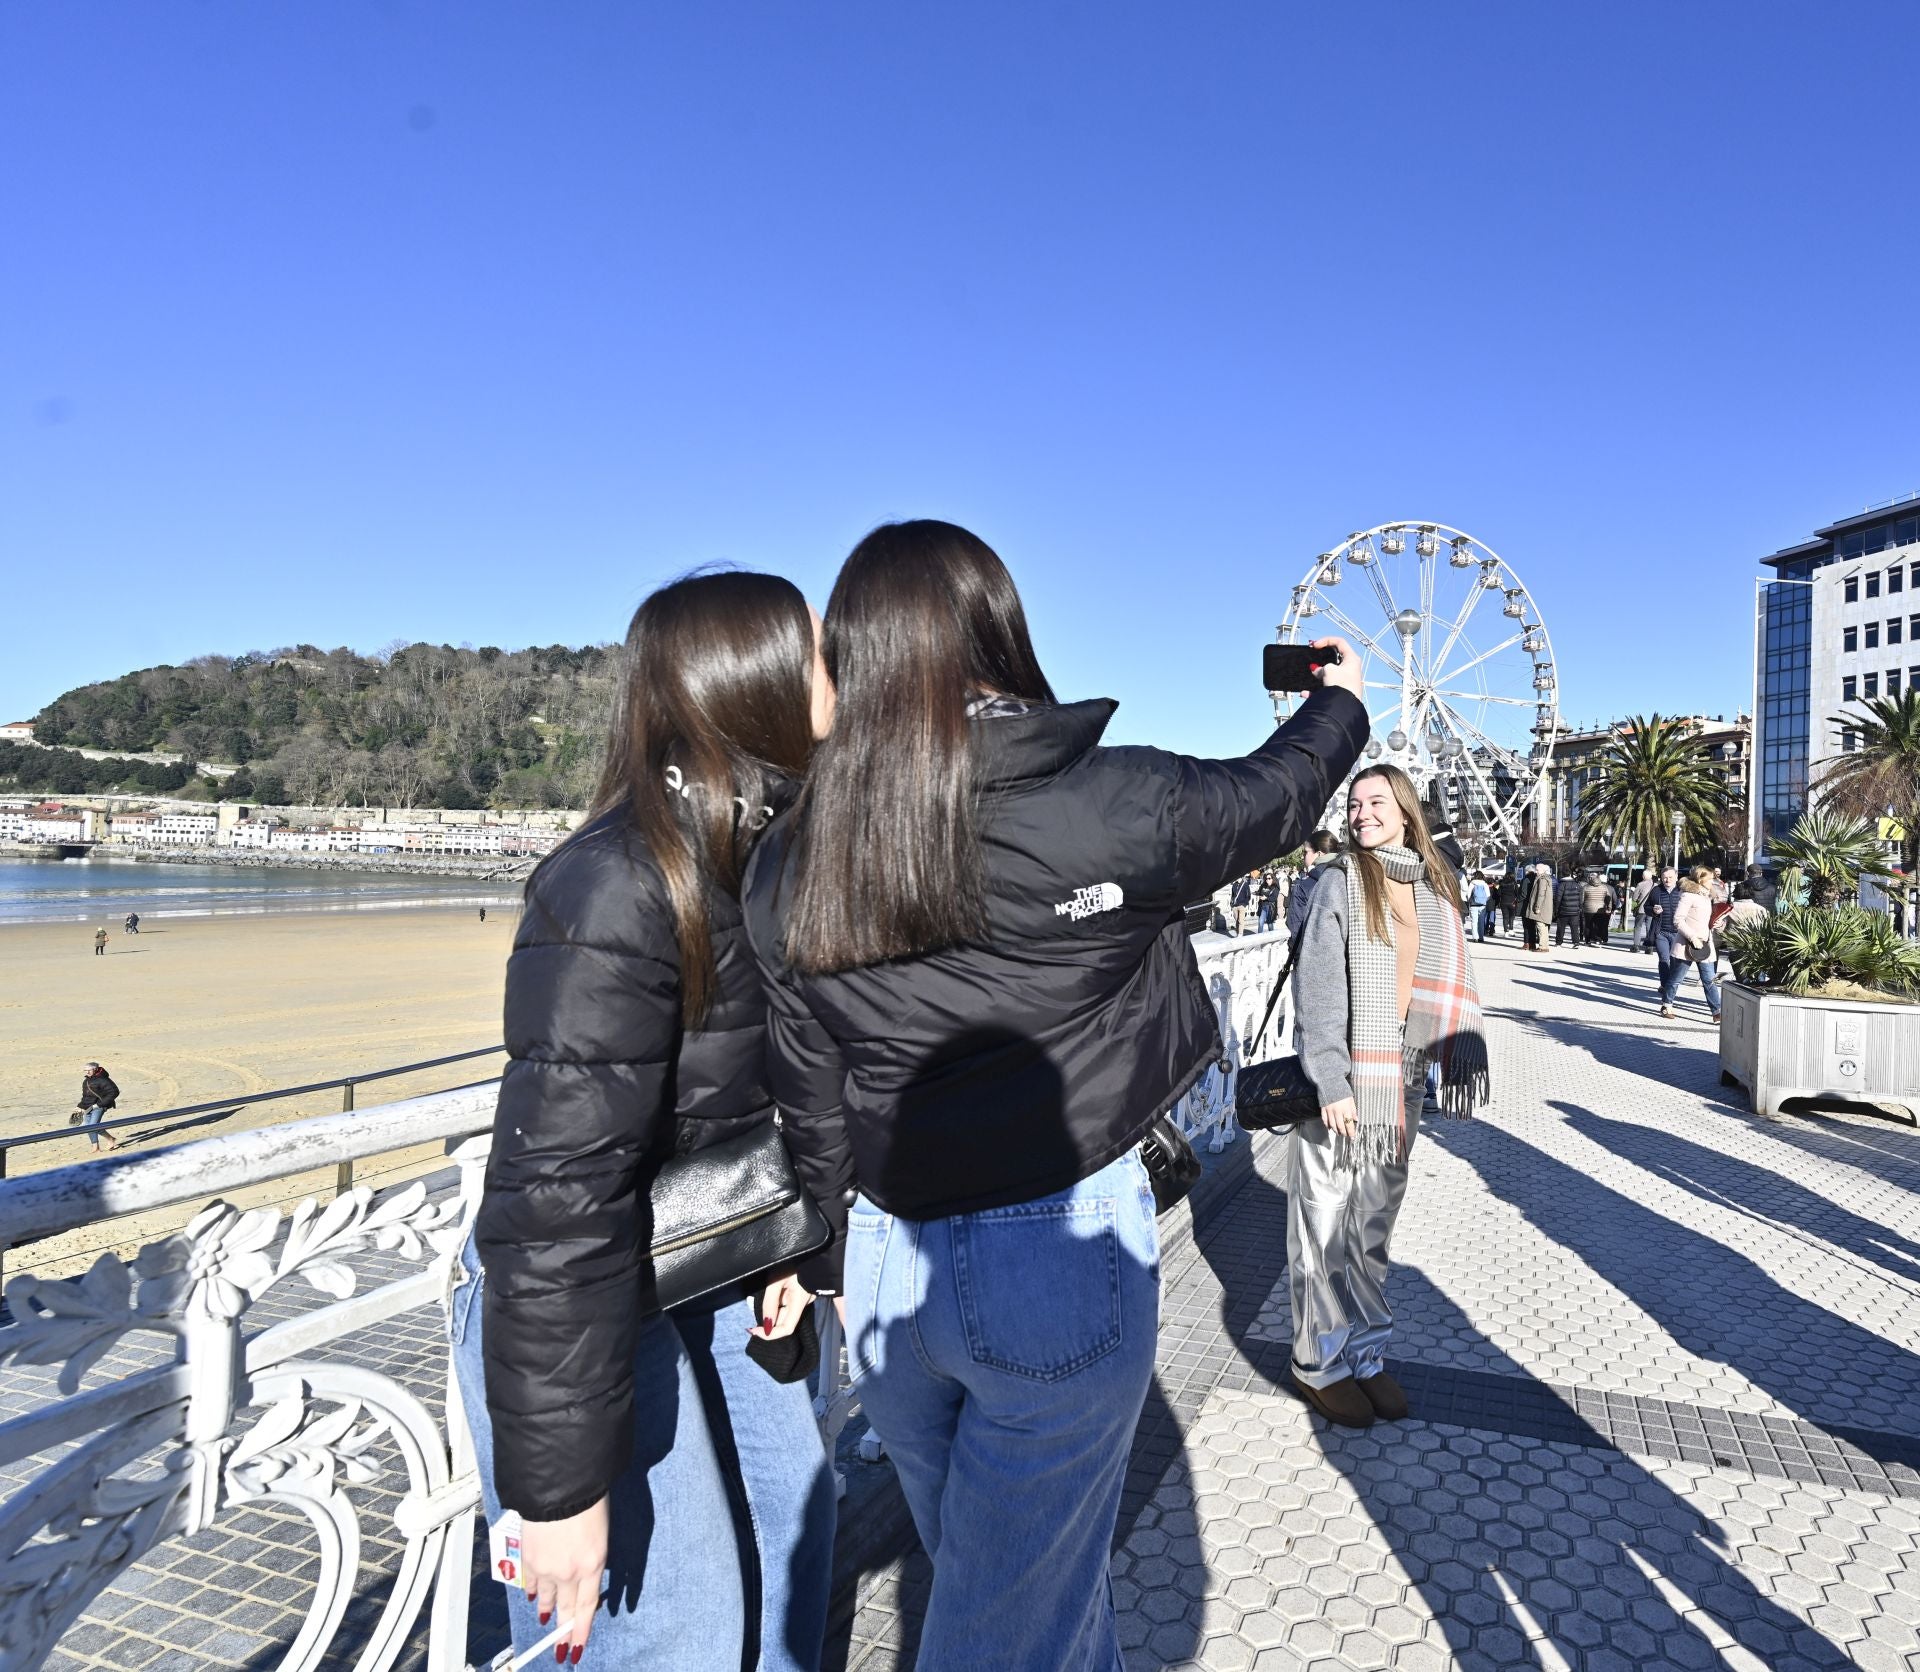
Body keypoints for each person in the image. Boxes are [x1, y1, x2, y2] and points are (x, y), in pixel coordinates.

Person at [742, 520, 1369, 1667]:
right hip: (1058, 1243)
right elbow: (1276, 793)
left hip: (883, 1259)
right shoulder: (1114, 801)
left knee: (1022, 1590)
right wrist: (1338, 703)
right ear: (998, 628)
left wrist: (819, 1250)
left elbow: (803, 1079)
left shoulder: (795, 852)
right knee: (1010, 1621)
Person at [456, 571, 849, 1670]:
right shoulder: (616, 883)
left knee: (791, 1563)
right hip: (581, 1293)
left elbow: (779, 1087)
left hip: (703, 1254)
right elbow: (555, 1199)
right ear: (756, 679)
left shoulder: (771, 856)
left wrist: (792, 1240)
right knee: (672, 1635)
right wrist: (559, 1490)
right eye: (823, 653)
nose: (844, 670)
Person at [1288, 764, 1491, 1428]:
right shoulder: (1339, 882)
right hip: (1346, 1083)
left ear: (1406, 812)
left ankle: (1366, 1352)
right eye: (1354, 803)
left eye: (1377, 801)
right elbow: (1318, 989)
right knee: (1321, 1228)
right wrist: (1330, 1081)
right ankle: (1318, 1361)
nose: (1362, 813)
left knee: (1371, 1229)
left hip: (1402, 1081)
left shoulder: (1434, 888)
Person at [1658, 867, 1723, 1022]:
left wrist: (1719, 924)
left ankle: (1717, 1012)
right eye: (1709, 878)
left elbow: (1708, 921)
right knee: (1676, 978)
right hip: (1687, 944)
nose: (1712, 881)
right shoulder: (1688, 896)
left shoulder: (1708, 897)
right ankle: (1666, 1004)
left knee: (1709, 980)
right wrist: (1692, 937)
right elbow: (1678, 920)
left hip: (1705, 945)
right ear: (1700, 879)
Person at [1287, 829, 1341, 941]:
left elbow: (1295, 929)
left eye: (1305, 852)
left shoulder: (1303, 886)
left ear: (1319, 854)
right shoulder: (1350, 877)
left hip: (1310, 947)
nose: (1302, 857)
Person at [1644, 865, 1684, 1008]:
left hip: (1678, 933)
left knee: (1675, 961)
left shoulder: (1682, 891)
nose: (1667, 880)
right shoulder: (1656, 890)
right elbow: (1646, 907)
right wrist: (1653, 910)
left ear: (1676, 877)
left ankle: (1670, 985)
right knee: (1663, 959)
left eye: (1670, 877)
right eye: (1664, 877)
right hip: (1661, 932)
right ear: (1661, 878)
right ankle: (1666, 986)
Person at [76, 1062, 119, 1150]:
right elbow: (86, 1096)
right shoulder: (86, 1081)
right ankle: (96, 1147)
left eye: (89, 1070)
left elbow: (114, 1092)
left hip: (99, 1106)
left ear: (95, 1069)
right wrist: (80, 1106)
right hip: (88, 1107)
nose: (87, 1072)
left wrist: (99, 1104)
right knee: (88, 1127)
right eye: (85, 1070)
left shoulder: (103, 1079)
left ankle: (110, 1140)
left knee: (93, 1126)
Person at [1522, 862, 1554, 951]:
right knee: (1543, 926)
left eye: (1537, 870)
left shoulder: (1542, 879)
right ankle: (1544, 945)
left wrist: (1537, 907)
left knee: (1540, 926)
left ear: (1543, 870)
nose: (1536, 871)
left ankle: (1542, 946)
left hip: (1542, 907)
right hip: (1545, 906)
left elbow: (1540, 894)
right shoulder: (1546, 878)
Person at [1580, 872, 1616, 947]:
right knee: (1599, 925)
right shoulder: (1604, 887)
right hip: (1600, 910)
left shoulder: (1586, 887)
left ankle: (1587, 941)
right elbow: (1608, 898)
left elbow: (1581, 900)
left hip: (1588, 909)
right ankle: (1598, 940)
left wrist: (1582, 907)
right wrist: (1609, 907)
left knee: (1588, 925)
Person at [1552, 868, 1584, 947]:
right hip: (1575, 911)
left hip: (1563, 910)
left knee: (1561, 927)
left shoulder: (1561, 885)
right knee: (1574, 927)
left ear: (1562, 875)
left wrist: (1556, 909)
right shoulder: (1577, 885)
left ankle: (1559, 942)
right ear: (1570, 875)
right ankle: (1576, 942)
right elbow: (1581, 899)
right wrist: (1580, 907)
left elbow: (1558, 899)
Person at [1496, 868, 1521, 936]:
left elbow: (1498, 893)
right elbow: (1517, 893)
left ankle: (1506, 932)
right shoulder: (1514, 883)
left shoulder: (1502, 883)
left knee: (1505, 917)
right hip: (1512, 902)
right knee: (1512, 917)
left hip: (1503, 902)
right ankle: (1511, 930)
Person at [1468, 872, 1491, 942]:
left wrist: (1470, 901)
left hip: (1473, 905)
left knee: (1474, 922)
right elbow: (1488, 895)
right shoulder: (1485, 884)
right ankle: (1481, 937)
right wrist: (1483, 901)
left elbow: (1468, 894)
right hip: (1482, 905)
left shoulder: (1472, 883)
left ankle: (1475, 937)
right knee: (1481, 922)